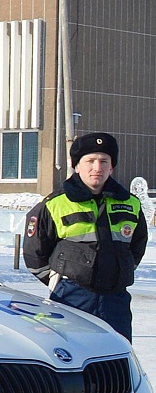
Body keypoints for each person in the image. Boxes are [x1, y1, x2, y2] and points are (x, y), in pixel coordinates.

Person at [23, 132, 146, 342]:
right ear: (76, 165)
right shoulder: (54, 204)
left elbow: (137, 246)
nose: (97, 168)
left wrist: (119, 270)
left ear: (111, 167)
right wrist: (58, 281)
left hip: (116, 301)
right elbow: (34, 254)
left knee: (116, 359)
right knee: (70, 358)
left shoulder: (131, 204)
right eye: (90, 161)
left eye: (103, 161)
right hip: (70, 298)